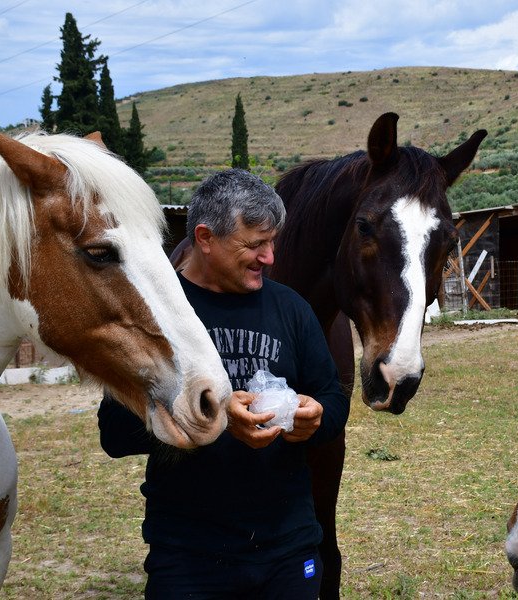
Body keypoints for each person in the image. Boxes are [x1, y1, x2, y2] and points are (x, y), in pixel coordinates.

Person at [98, 168, 349, 599]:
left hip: (288, 548)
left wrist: (317, 418)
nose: (269, 257)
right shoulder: (155, 316)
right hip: (189, 555)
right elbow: (114, 433)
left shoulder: (292, 309)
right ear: (206, 238)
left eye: (272, 242)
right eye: (254, 244)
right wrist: (211, 420)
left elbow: (332, 398)